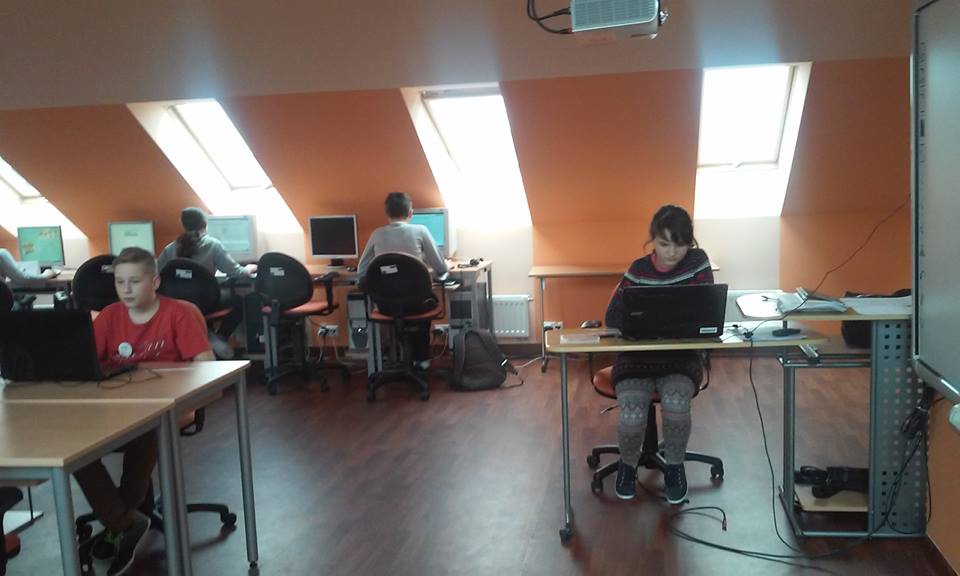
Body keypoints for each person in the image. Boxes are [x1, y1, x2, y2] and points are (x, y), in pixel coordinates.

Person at [73, 247, 214, 576]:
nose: (126, 289)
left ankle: (119, 524)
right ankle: (124, 521)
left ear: (155, 282)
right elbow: (85, 363)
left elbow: (205, 363)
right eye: (120, 282)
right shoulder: (110, 316)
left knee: (146, 432)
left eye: (134, 281)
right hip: (115, 405)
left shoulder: (177, 314)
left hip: (164, 406)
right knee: (74, 448)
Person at [603, 205, 714, 504]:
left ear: (690, 242)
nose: (672, 252)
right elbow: (612, 316)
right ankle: (628, 467)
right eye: (664, 244)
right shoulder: (638, 270)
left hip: (680, 359)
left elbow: (707, 311)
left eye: (680, 244)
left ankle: (675, 467)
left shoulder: (698, 263)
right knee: (631, 413)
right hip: (636, 359)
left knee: (676, 405)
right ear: (652, 240)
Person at [358, 192, 449, 369]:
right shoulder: (421, 231)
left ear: (386, 213)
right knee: (428, 300)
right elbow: (441, 267)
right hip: (418, 305)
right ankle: (421, 359)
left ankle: (391, 359)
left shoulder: (377, 234)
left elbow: (362, 270)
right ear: (410, 213)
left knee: (405, 304)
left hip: (386, 306)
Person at [157, 207, 254, 358]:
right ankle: (220, 337)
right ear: (205, 224)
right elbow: (235, 272)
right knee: (240, 301)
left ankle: (206, 336)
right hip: (207, 303)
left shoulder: (170, 248)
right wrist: (249, 268)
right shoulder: (213, 245)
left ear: (183, 224)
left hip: (177, 305)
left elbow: (157, 274)